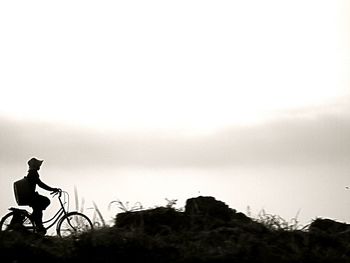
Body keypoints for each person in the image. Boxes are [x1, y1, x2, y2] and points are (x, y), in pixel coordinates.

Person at [26, 157, 60, 234]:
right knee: (45, 201)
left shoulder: (32, 172)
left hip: (31, 196)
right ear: (35, 166)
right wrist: (52, 189)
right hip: (31, 196)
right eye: (38, 165)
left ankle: (37, 222)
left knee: (39, 208)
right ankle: (38, 223)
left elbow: (39, 184)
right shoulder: (33, 173)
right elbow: (41, 184)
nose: (39, 167)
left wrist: (52, 189)